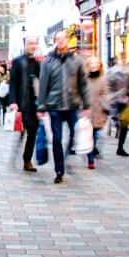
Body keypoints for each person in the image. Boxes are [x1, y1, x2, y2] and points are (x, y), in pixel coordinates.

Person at [37, 30, 89, 184]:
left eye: (63, 39)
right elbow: (43, 85)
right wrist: (41, 107)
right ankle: (59, 170)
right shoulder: (48, 61)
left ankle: (67, 158)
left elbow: (83, 84)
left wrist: (86, 105)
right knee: (57, 139)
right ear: (54, 41)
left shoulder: (76, 60)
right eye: (57, 39)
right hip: (54, 106)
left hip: (72, 104)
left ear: (67, 40)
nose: (60, 41)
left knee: (75, 135)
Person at [8, 36, 40, 172]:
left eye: (35, 43)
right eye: (30, 43)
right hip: (21, 103)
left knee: (32, 133)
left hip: (34, 105)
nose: (33, 46)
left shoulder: (38, 63)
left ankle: (27, 160)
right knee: (21, 132)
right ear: (25, 45)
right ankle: (14, 156)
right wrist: (13, 101)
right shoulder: (18, 62)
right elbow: (13, 83)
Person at [85, 56, 109, 169]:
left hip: (99, 111)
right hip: (87, 111)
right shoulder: (84, 79)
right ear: (88, 66)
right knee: (89, 136)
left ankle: (93, 150)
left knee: (96, 135)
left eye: (96, 64)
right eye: (92, 64)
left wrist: (106, 107)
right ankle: (90, 160)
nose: (94, 66)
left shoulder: (103, 79)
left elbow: (105, 94)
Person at [106, 57, 129, 156]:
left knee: (124, 126)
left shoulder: (128, 72)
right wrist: (110, 98)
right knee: (114, 120)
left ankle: (120, 147)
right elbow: (108, 86)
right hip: (116, 102)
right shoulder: (113, 73)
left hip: (125, 102)